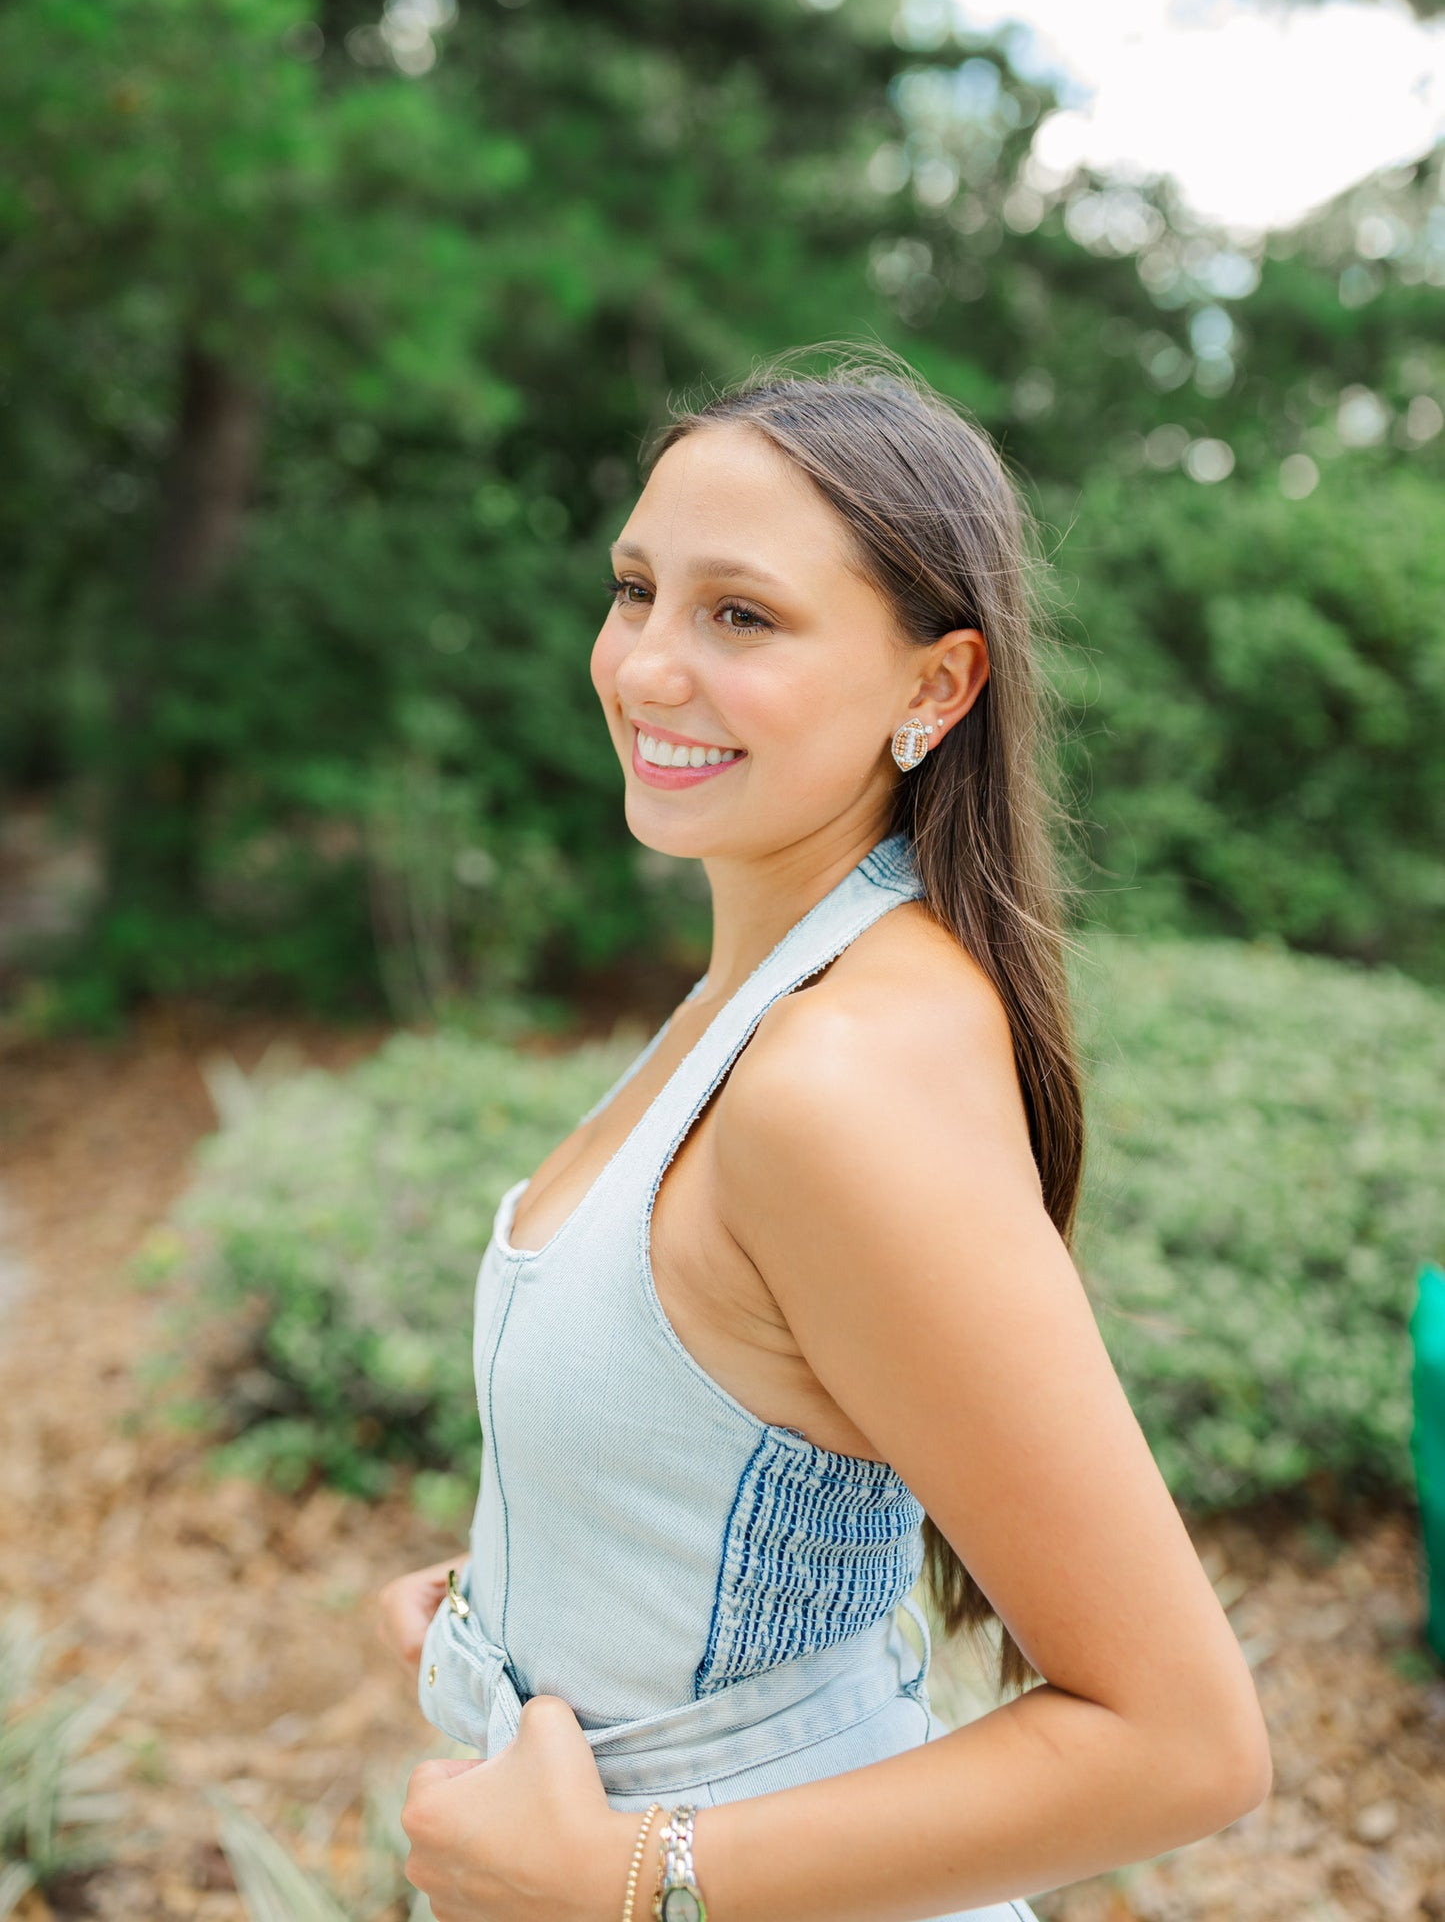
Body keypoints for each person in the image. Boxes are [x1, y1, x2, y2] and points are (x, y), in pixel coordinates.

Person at [378, 355, 1271, 1922]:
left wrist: (629, 1874)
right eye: (636, 588)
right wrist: (509, 1619)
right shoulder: (775, 981)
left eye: (741, 616)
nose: (647, 666)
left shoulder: (837, 1076)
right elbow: (733, 1430)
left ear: (934, 689)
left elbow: (1183, 1744)